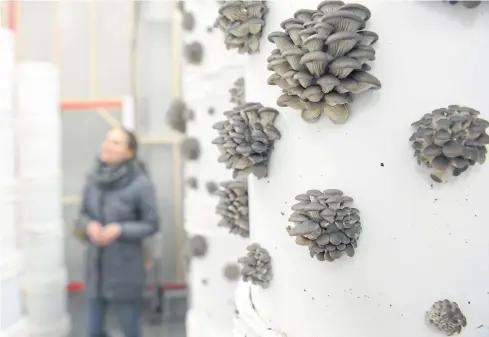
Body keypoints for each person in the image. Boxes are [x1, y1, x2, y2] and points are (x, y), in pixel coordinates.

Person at [78, 128, 160, 337]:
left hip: (125, 269)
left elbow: (152, 224)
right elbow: (81, 215)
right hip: (96, 267)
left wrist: (119, 230)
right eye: (107, 140)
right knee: (93, 331)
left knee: (130, 328)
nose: (107, 145)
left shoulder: (140, 183)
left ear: (129, 153)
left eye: (115, 143)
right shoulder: (93, 178)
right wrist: (89, 225)